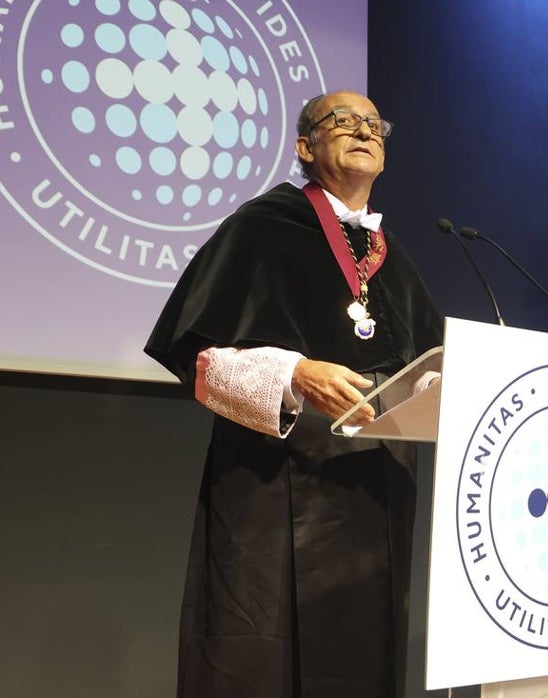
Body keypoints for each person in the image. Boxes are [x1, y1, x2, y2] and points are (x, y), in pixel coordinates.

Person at [145, 91, 443, 698]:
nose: (362, 130)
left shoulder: (396, 262)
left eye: (373, 124)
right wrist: (294, 373)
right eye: (342, 121)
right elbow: (197, 357)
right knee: (260, 658)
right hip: (275, 486)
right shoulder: (261, 227)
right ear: (306, 147)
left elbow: (428, 364)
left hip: (374, 494)